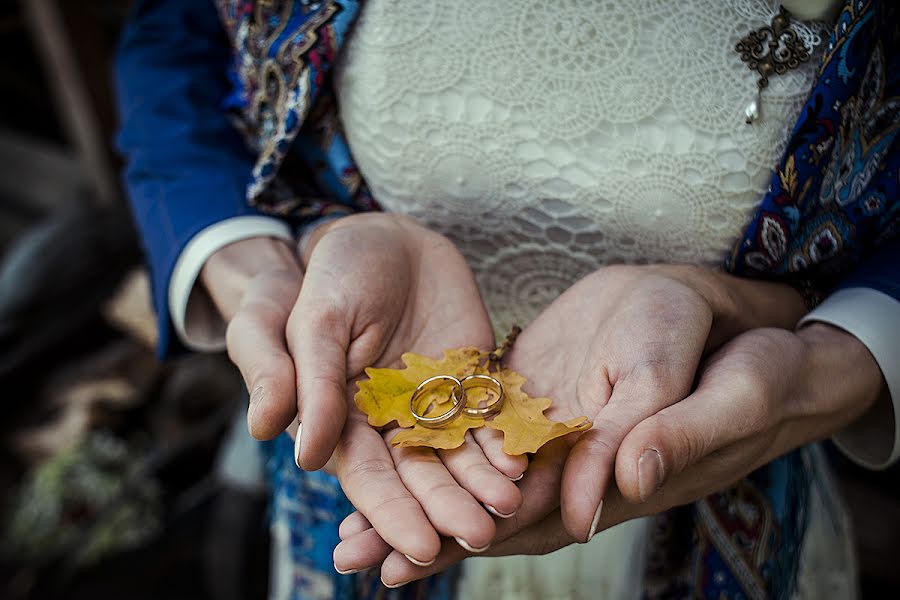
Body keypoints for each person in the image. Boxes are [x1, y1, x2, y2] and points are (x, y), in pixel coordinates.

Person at [115, 0, 900, 598]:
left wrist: (834, 360)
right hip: (361, 418)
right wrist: (250, 261)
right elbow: (172, 36)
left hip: (725, 492)